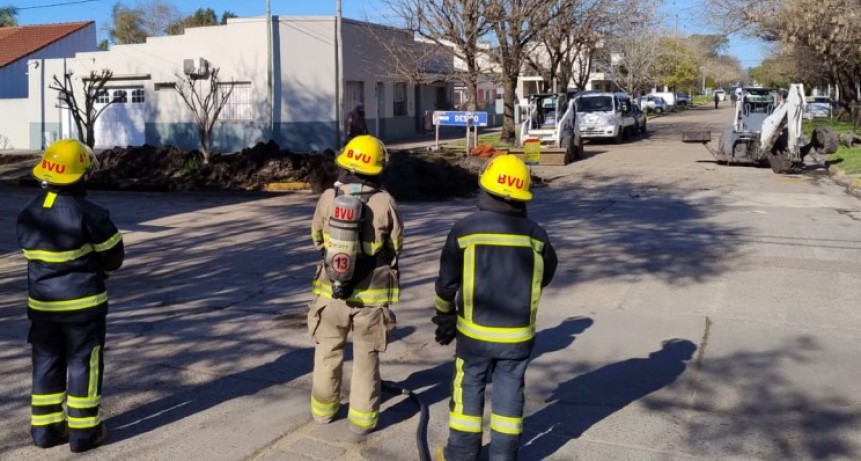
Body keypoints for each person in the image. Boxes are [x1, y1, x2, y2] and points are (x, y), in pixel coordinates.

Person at [432, 154, 558, 461]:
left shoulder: (465, 230)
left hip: (473, 335)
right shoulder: (536, 236)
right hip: (517, 337)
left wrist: (445, 317)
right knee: (510, 393)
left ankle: (460, 454)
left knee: (468, 390)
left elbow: (446, 283)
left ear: (486, 189)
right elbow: (547, 274)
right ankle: (503, 456)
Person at [17, 139, 124, 453]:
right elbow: (113, 257)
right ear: (81, 174)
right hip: (83, 308)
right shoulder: (91, 213)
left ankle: (46, 429)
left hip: (42, 307)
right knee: (83, 363)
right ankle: (84, 432)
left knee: (46, 360)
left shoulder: (28, 213)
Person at [307, 134, 403, 435]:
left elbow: (317, 237)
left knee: (327, 352)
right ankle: (362, 421)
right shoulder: (384, 201)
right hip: (371, 298)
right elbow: (396, 244)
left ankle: (323, 412)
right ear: (378, 168)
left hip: (330, 294)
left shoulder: (328, 197)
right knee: (366, 358)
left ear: (345, 163)